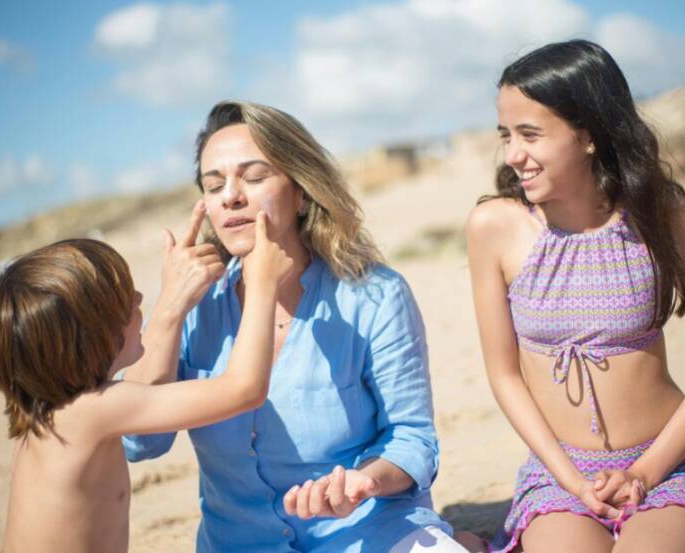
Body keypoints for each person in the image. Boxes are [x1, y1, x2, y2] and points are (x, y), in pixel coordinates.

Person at [122, 101, 468, 553]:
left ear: (301, 190)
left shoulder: (375, 296)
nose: (230, 196)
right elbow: (140, 442)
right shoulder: (193, 306)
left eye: (254, 176)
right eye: (214, 185)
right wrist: (168, 309)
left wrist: (363, 483)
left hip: (370, 534)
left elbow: (413, 439)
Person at [465, 40, 685, 552]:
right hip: (560, 474)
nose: (513, 154)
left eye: (530, 134)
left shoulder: (662, 214)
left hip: (668, 466)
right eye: (506, 135)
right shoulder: (494, 226)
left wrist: (645, 473)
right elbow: (505, 375)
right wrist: (570, 479)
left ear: (586, 134)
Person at [0, 216, 292, 553]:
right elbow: (244, 389)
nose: (139, 298)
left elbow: (148, 388)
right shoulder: (96, 410)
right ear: (90, 338)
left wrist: (175, 300)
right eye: (124, 302)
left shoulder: (51, 410)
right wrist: (262, 284)